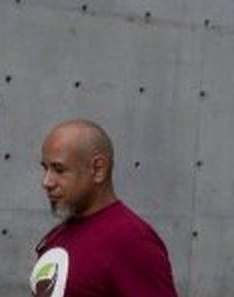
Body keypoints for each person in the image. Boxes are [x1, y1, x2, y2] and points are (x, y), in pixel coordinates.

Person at [30, 119, 178, 297]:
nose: (46, 182)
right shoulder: (62, 233)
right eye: (45, 168)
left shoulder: (131, 240)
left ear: (98, 169)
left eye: (59, 170)